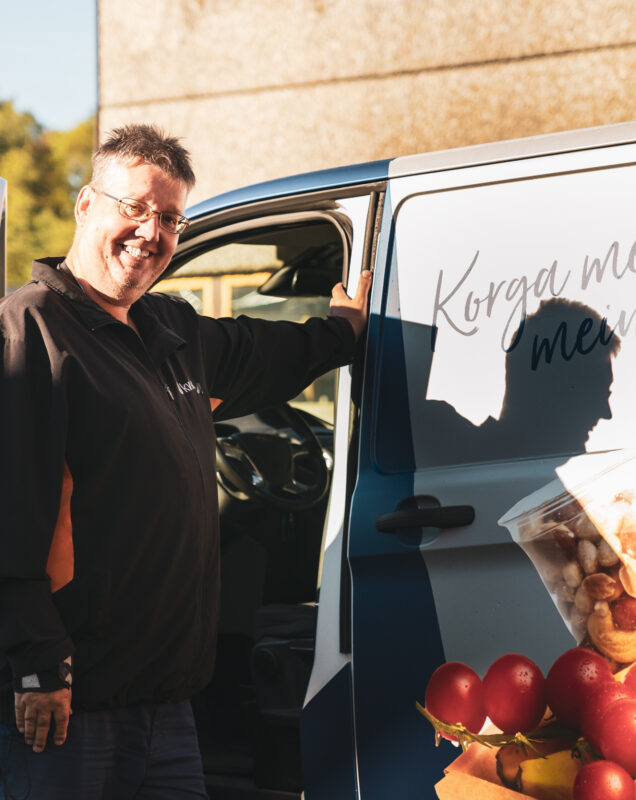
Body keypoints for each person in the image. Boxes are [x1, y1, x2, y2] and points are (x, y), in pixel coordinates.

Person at [0, 124, 371, 799]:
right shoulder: (31, 331)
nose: (152, 232)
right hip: (73, 709)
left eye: (169, 218)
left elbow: (267, 354)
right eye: (135, 208)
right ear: (87, 205)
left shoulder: (173, 332)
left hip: (168, 710)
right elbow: (9, 512)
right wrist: (36, 667)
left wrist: (345, 329)